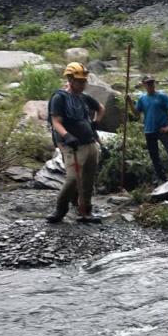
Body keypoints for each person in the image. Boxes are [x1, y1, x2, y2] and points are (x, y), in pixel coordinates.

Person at [46, 62, 104, 224]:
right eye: (79, 81)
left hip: (90, 142)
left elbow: (101, 107)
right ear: (70, 79)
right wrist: (67, 136)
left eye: (84, 81)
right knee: (72, 179)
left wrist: (96, 123)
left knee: (88, 180)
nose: (83, 84)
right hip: (72, 145)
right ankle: (60, 209)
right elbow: (55, 122)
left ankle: (85, 212)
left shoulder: (83, 97)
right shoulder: (59, 98)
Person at [135, 74, 168, 183]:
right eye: (148, 83)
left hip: (162, 129)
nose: (151, 85)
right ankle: (162, 178)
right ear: (144, 85)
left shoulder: (162, 96)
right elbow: (136, 114)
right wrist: (129, 102)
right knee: (154, 156)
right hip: (149, 130)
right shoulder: (142, 99)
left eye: (152, 82)